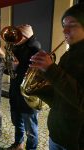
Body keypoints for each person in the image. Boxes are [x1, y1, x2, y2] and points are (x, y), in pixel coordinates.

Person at [30, 3, 84, 150]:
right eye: (64, 25)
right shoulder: (68, 55)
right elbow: (61, 96)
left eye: (72, 25)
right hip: (58, 132)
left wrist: (51, 69)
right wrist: (37, 85)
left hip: (77, 140)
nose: (65, 30)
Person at [7, 24, 41, 150]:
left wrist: (17, 67)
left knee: (31, 130)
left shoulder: (35, 49)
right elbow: (10, 72)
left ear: (26, 36)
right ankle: (18, 144)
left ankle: (31, 148)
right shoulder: (16, 48)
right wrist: (10, 67)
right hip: (15, 92)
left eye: (17, 35)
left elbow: (35, 74)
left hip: (27, 95)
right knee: (17, 123)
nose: (14, 38)